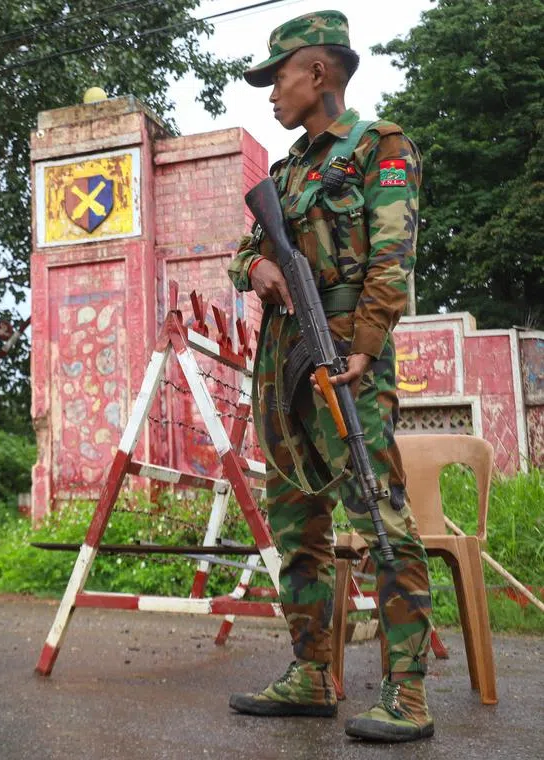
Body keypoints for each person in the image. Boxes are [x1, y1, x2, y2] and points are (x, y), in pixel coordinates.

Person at [225, 10, 434, 743]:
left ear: (318, 72)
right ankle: (311, 674)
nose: (270, 93)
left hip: (346, 357)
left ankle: (406, 694)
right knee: (295, 521)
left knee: (380, 518)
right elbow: (245, 249)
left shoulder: (382, 146)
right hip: (286, 364)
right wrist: (258, 267)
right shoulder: (284, 172)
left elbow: (392, 260)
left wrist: (366, 350)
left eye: (277, 75)